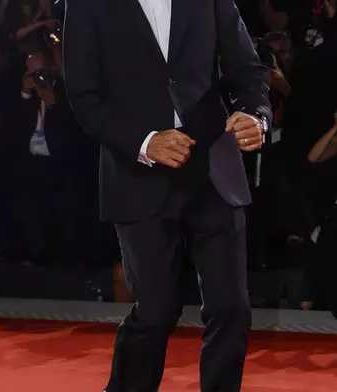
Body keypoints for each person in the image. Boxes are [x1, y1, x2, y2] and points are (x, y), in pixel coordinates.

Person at [63, 0, 271, 391]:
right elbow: (84, 95)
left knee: (231, 308)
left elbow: (246, 66)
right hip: (139, 172)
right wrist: (145, 143)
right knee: (156, 312)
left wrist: (255, 114)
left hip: (212, 169)